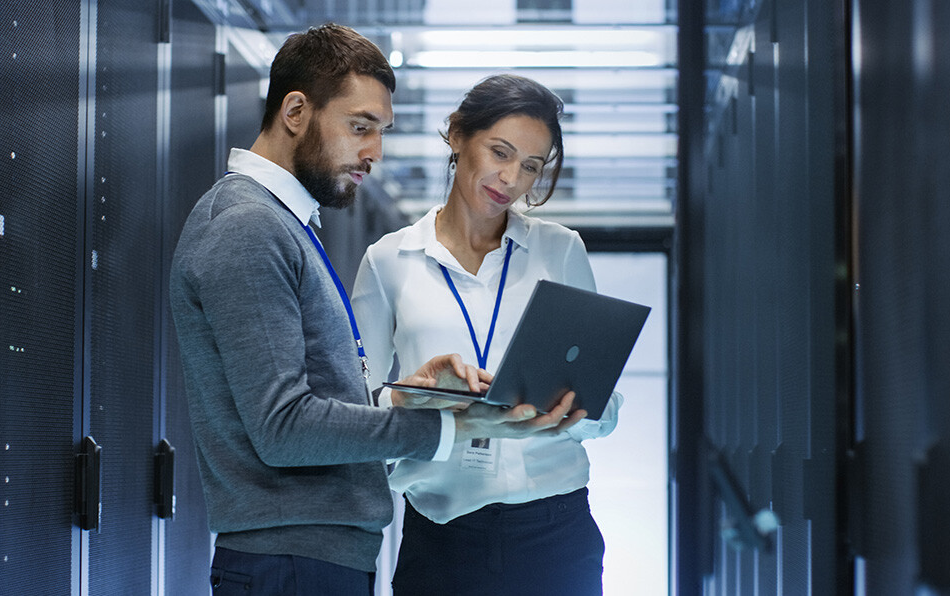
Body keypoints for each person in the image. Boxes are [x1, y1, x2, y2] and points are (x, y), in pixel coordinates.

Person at [168, 26, 585, 596]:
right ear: (296, 111)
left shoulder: (282, 225)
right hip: (293, 558)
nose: (374, 153)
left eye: (381, 132)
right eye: (360, 127)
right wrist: (444, 423)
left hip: (312, 555)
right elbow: (283, 427)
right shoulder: (248, 227)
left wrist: (405, 394)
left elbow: (325, 403)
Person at [352, 74, 623, 595]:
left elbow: (603, 403)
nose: (511, 179)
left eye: (530, 167)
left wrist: (573, 410)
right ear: (457, 135)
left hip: (556, 529)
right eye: (500, 152)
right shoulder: (389, 260)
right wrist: (414, 397)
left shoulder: (560, 251)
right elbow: (354, 408)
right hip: (440, 532)